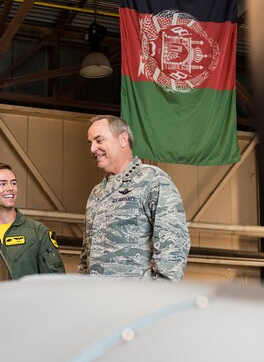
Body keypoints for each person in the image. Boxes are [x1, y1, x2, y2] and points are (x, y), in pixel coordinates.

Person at [79, 115, 190, 280]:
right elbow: (86, 255)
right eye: (91, 143)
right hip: (98, 300)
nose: (93, 148)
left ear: (123, 139)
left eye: (99, 141)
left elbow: (173, 244)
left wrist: (159, 297)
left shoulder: (152, 180)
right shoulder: (97, 193)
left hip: (138, 301)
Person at [0, 162, 65, 278]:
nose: (10, 188)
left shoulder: (38, 233)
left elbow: (56, 282)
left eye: (13, 183)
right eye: (2, 184)